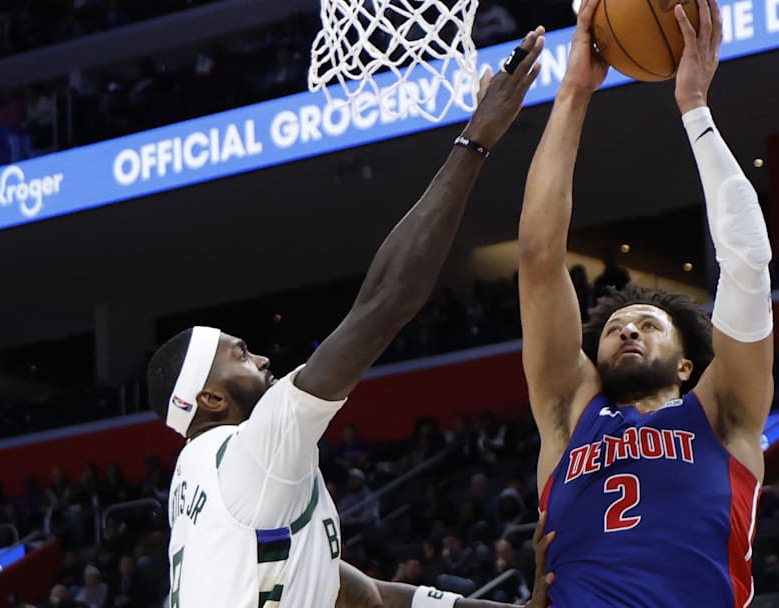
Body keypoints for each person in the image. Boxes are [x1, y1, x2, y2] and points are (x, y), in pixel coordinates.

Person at [148, 29, 555, 608]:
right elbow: (390, 298)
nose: (263, 357)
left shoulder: (213, 487)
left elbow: (367, 596)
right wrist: (476, 140)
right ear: (210, 399)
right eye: (238, 354)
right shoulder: (248, 454)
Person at [518, 0, 773, 604]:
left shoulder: (724, 414)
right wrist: (575, 91)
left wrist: (695, 110)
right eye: (615, 328)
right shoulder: (567, 412)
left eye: (648, 325)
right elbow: (538, 255)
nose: (628, 331)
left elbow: (747, 260)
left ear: (689, 364)